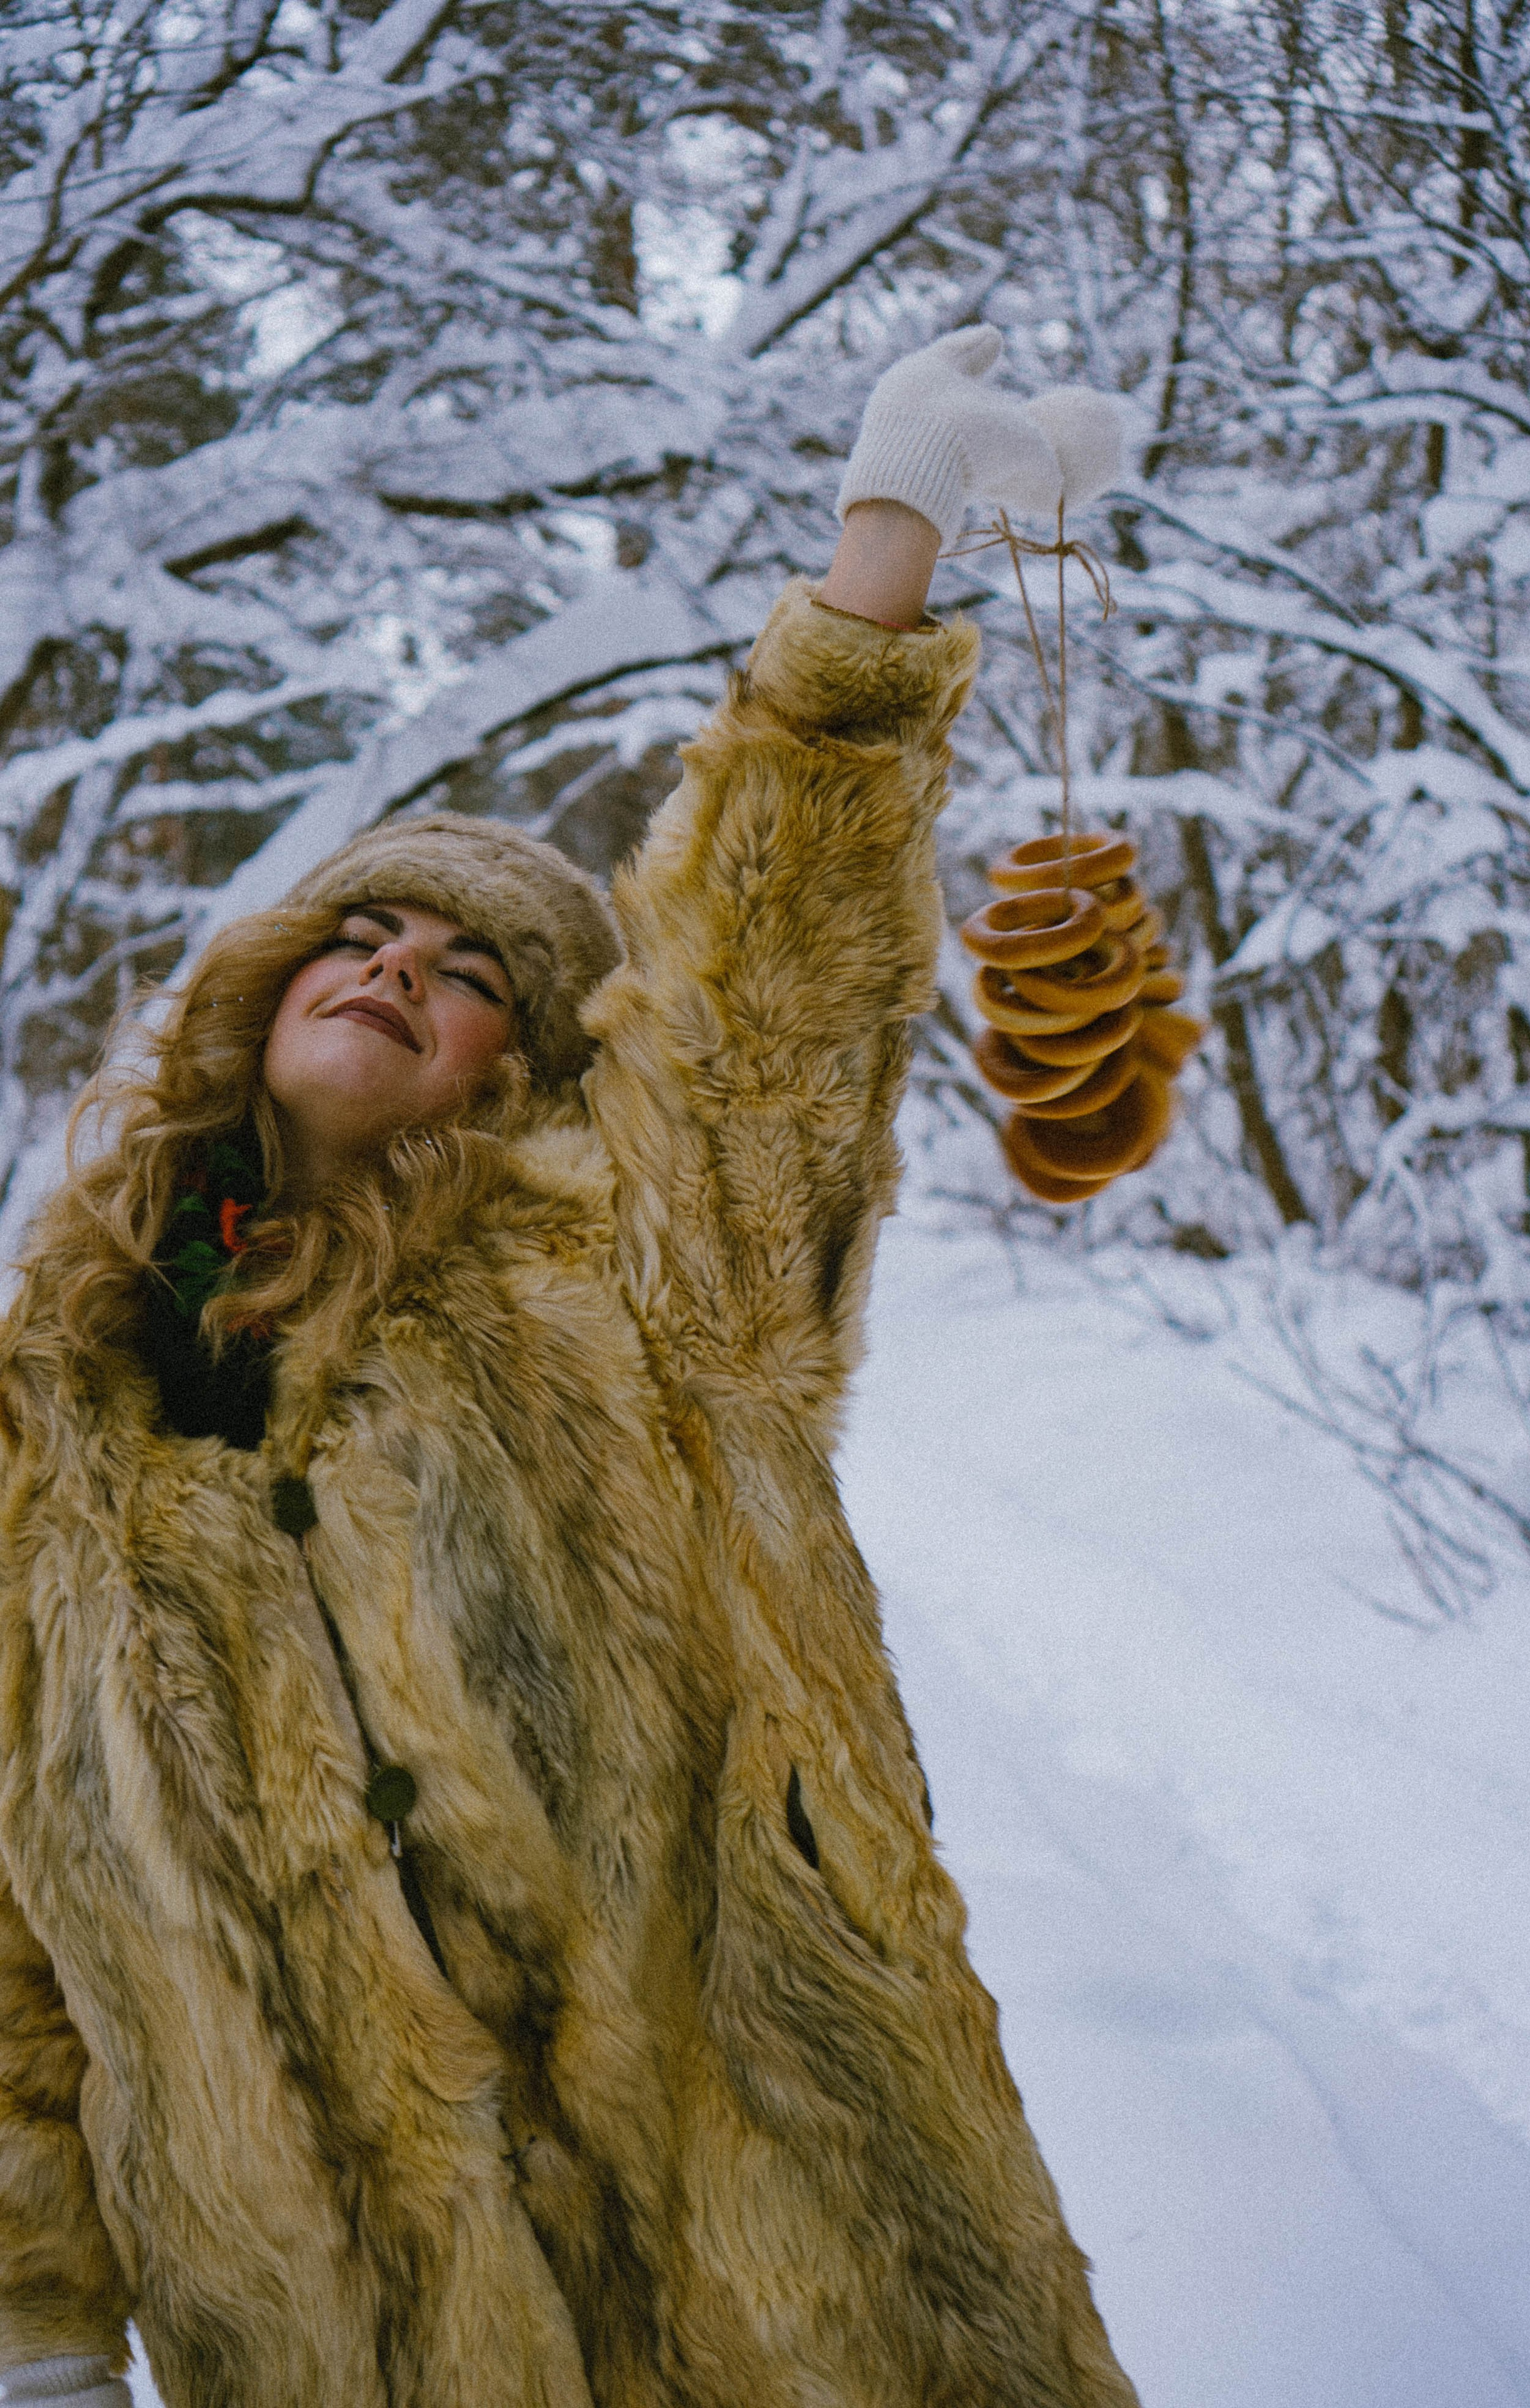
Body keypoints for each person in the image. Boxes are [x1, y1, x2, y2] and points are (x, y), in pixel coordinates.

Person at [0, 331, 1140, 2408]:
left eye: (468, 979)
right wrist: (37, 2316)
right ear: (268, 985)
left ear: (521, 1070)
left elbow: (769, 1007)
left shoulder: (640, 1279)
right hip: (344, 2347)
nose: (396, 974)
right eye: (364, 936)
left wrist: (882, 550)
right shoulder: (55, 1398)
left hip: (779, 2283)